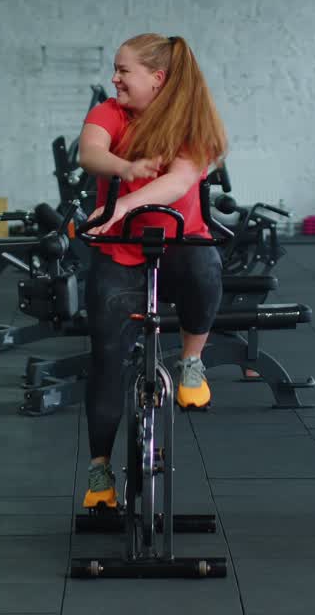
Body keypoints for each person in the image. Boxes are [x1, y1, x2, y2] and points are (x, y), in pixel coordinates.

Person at [76, 33, 228, 509]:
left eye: (124, 71)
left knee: (207, 266)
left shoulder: (190, 121)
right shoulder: (110, 112)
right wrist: (123, 167)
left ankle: (192, 362)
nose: (115, 79)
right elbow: (89, 153)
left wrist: (123, 205)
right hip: (120, 250)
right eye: (115, 69)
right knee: (106, 360)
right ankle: (100, 473)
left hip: (180, 246)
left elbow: (178, 181)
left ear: (157, 78)